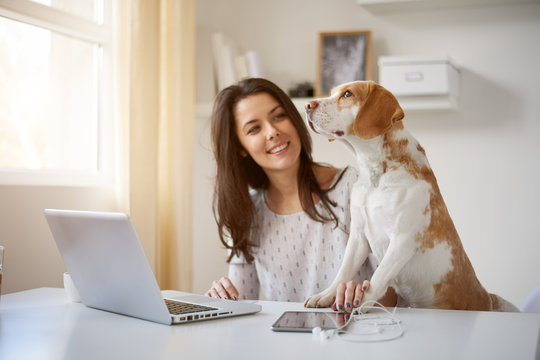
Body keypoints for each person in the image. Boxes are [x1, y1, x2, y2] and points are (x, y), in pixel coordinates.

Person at [205, 78, 397, 311]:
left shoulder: (352, 186)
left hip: (358, 341)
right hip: (283, 345)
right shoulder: (247, 212)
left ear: (295, 120)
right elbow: (240, 305)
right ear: (240, 147)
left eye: (278, 116)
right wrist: (222, 299)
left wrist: (366, 297)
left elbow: (398, 292)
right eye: (254, 129)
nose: (273, 132)